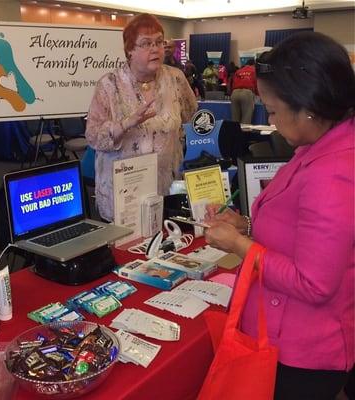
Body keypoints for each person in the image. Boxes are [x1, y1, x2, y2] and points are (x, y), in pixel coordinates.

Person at [203, 31, 354, 399]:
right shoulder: (320, 144)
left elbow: (313, 283)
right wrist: (247, 225)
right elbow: (300, 230)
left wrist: (240, 245)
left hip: (301, 351)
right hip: (291, 335)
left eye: (272, 110)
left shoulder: (332, 171)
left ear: (307, 107)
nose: (270, 121)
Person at [85, 14, 197, 222]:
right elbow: (92, 137)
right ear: (130, 50)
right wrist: (126, 124)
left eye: (159, 42)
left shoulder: (175, 79)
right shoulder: (109, 85)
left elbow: (189, 113)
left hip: (164, 187)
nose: (155, 49)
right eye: (146, 44)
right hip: (123, 194)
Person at [230, 59, 257, 123]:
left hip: (235, 93)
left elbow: (232, 83)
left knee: (235, 121)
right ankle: (244, 133)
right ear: (254, 64)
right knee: (246, 120)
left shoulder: (238, 71)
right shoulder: (254, 70)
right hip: (247, 93)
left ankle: (234, 132)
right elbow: (256, 83)